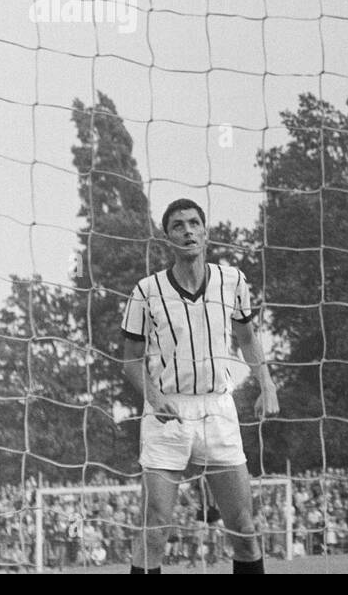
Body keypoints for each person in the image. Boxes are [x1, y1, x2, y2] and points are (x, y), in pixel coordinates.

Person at [120, 198, 280, 574]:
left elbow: (246, 337)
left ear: (205, 232)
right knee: (156, 526)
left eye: (194, 223)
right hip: (166, 412)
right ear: (167, 238)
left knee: (243, 527)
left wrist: (266, 383)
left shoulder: (233, 280)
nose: (188, 231)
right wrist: (154, 397)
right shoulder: (146, 291)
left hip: (217, 407)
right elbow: (129, 359)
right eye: (178, 225)